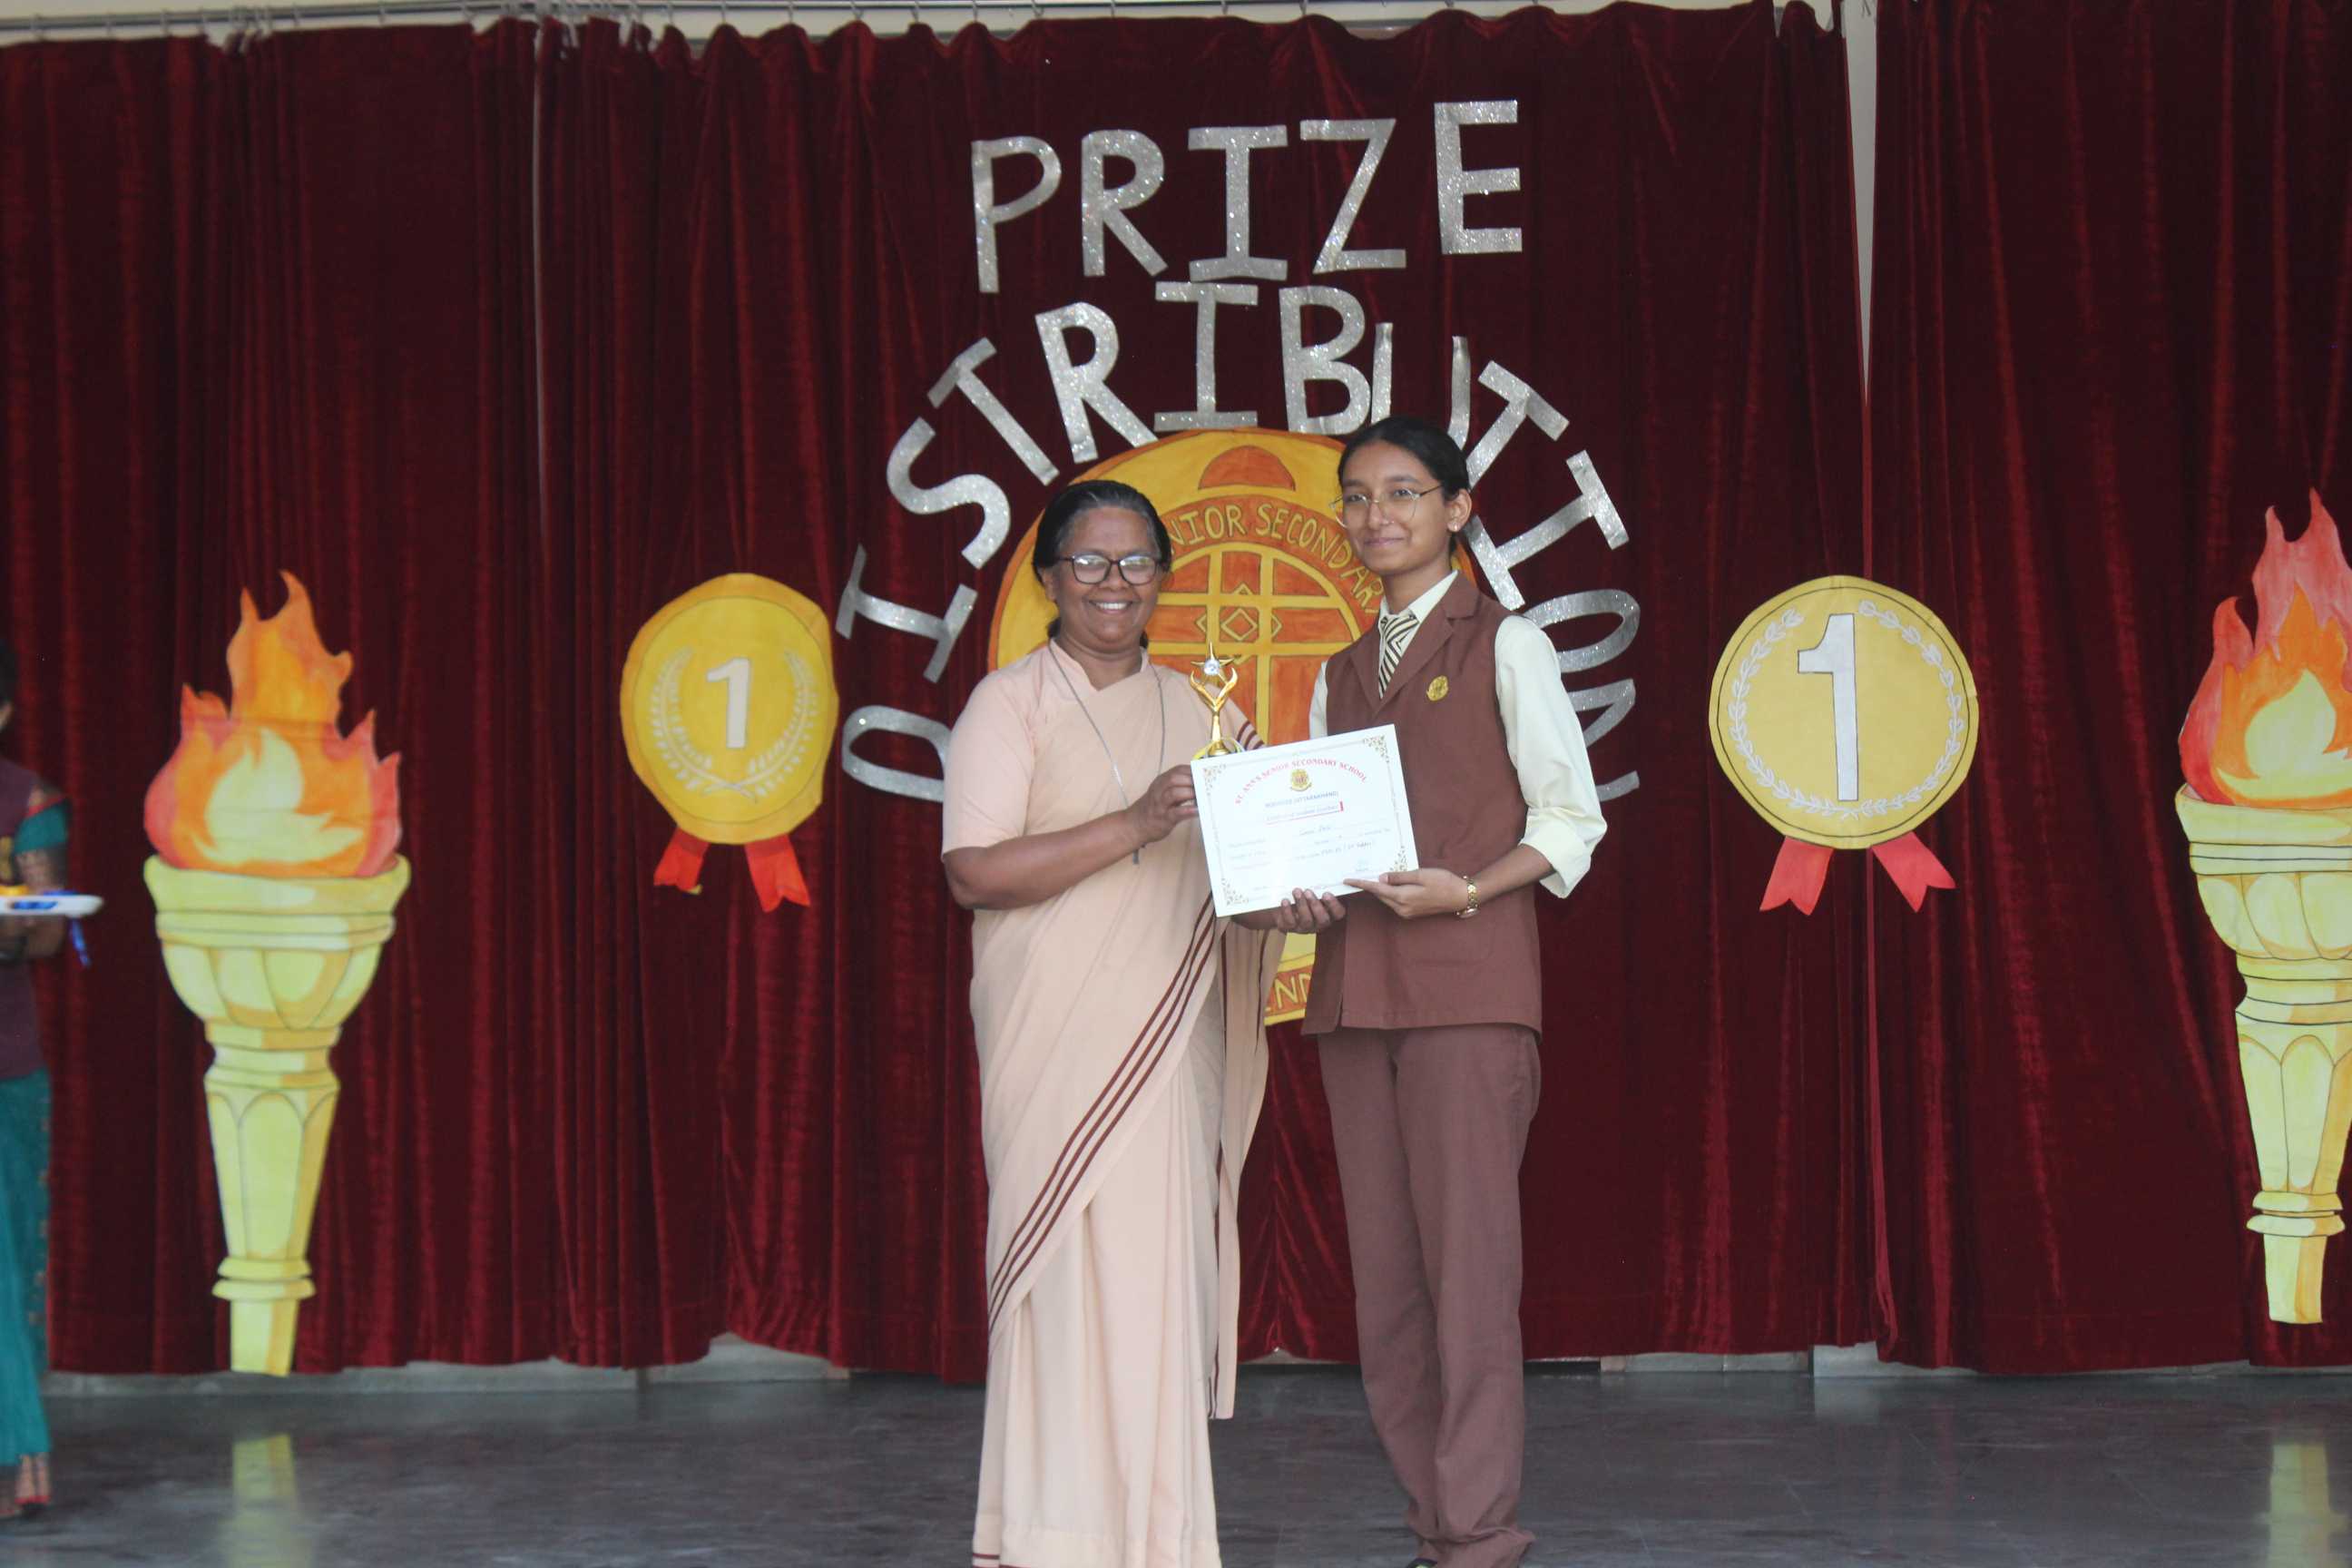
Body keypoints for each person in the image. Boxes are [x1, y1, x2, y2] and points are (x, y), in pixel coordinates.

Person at [1254, 417, 1607, 1568]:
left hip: (1468, 996)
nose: (1378, 516)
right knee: (1389, 1291)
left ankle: (1481, 1534)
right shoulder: (1340, 671)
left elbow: (1571, 820)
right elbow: (1326, 840)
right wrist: (1294, 887)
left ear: (1457, 510)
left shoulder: (1508, 643)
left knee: (1469, 1280)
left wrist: (1467, 891)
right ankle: (1434, 1523)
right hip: (1356, 1001)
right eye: (1358, 497)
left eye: (1405, 492)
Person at [943, 480, 1283, 1568]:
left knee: (1150, 1294)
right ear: (1049, 577)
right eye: (1089, 562)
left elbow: (1251, 878)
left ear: (1162, 578)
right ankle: (1049, 1540)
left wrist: (1294, 900)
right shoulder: (1009, 704)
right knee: (1059, 1294)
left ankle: (1157, 1543)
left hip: (1164, 1054)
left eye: (1136, 562)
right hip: (1050, 1047)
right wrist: (1135, 822)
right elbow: (974, 873)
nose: (1113, 583)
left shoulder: (1205, 711)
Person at [0, 639, 67, 1523]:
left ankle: (18, 1448)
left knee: (4, 1265)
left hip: (5, 1068)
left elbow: (49, 926)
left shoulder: (28, 801)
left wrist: (10, 923)